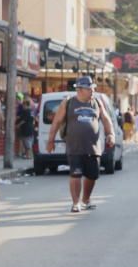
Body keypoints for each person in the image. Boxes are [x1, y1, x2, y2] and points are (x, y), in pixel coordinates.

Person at [46, 76, 116, 213]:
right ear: (80, 90)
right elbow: (56, 122)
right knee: (75, 174)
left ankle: (86, 199)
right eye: (89, 89)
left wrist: (111, 134)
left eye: (93, 88)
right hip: (75, 146)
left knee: (92, 175)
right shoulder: (68, 103)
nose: (92, 91)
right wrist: (50, 140)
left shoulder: (96, 102)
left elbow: (106, 120)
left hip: (93, 147)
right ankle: (75, 202)